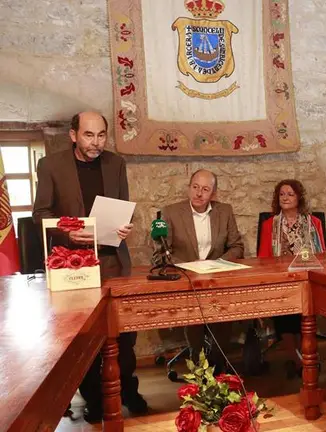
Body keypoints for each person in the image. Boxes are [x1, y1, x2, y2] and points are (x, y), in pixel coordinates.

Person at [33, 111, 146, 422]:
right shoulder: (51, 165)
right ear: (73, 135)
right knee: (88, 339)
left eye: (101, 135)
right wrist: (68, 232)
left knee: (124, 336)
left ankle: (129, 391)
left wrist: (126, 226)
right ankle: (95, 399)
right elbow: (39, 214)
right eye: (88, 135)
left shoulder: (116, 163)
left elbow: (125, 207)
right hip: (74, 264)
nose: (96, 142)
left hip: (113, 260)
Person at [156, 169, 244, 374]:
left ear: (213, 194)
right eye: (195, 187)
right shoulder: (170, 212)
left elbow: (237, 247)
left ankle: (219, 369)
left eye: (205, 189)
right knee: (196, 317)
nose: (199, 193)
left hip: (217, 279)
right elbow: (161, 253)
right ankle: (199, 367)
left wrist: (218, 264)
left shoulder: (225, 211)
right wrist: (189, 267)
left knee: (222, 318)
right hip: (187, 281)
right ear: (189, 188)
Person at [257, 179, 325, 376]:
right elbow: (263, 258)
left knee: (304, 312)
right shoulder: (270, 225)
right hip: (281, 281)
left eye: (290, 194)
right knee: (285, 315)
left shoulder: (314, 223)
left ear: (299, 198)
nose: (285, 198)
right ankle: (299, 360)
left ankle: (302, 357)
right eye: (282, 194)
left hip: (307, 280)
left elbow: (322, 256)